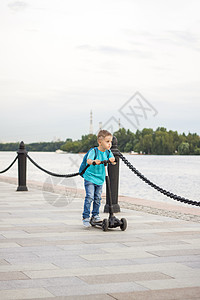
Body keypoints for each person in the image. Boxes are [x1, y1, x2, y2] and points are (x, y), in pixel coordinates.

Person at [82, 130, 115, 227]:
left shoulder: (108, 152)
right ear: (100, 142)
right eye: (107, 141)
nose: (110, 144)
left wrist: (112, 160)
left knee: (97, 198)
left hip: (100, 179)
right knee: (90, 196)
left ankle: (95, 215)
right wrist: (93, 161)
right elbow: (88, 160)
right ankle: (86, 217)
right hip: (90, 178)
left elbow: (113, 160)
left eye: (111, 142)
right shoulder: (94, 151)